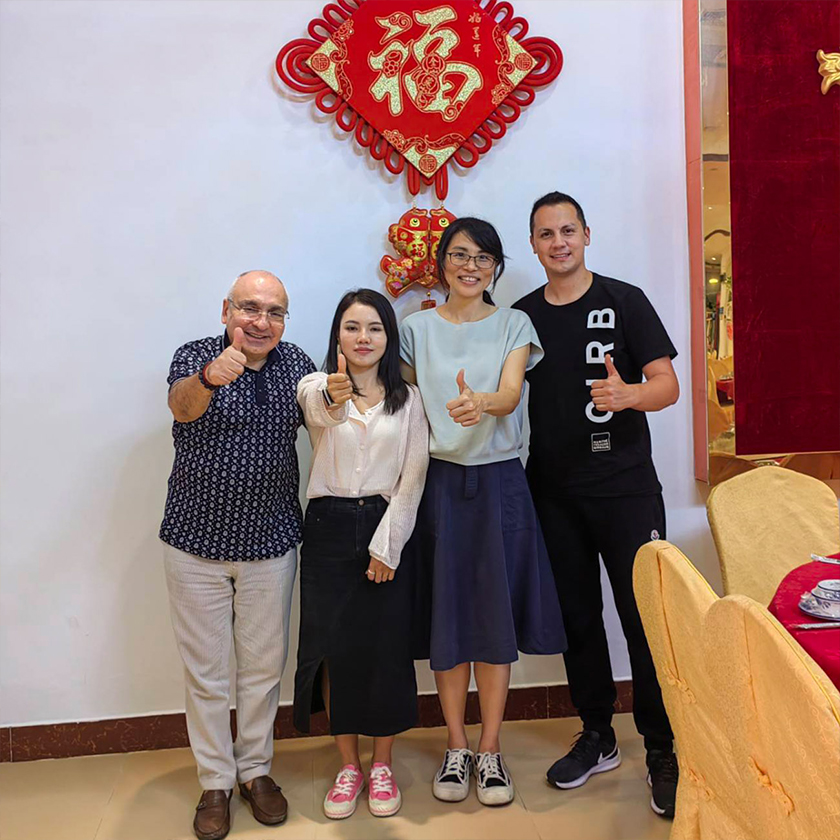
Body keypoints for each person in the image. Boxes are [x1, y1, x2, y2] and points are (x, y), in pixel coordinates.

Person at [512, 192, 681, 818]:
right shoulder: (523, 318)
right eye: (546, 234)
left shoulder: (625, 300)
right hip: (553, 492)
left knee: (645, 619)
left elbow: (668, 385)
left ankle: (661, 747)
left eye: (568, 230)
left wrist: (629, 394)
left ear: (587, 235)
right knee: (578, 617)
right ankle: (598, 734)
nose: (558, 242)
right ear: (533, 244)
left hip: (626, 488)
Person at [400, 217, 566, 808]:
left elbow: (513, 393)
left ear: (495, 267)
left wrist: (483, 403)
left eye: (483, 257)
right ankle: (456, 744)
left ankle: (491, 748)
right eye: (459, 255)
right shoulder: (414, 328)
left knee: (495, 618)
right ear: (441, 263)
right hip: (438, 484)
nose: (470, 266)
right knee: (448, 615)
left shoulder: (514, 323)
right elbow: (405, 408)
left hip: (499, 482)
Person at [161, 270, 314, 840]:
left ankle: (255, 771)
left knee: (263, 669)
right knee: (205, 673)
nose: (261, 321)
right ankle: (215, 782)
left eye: (275, 312)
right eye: (250, 308)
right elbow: (180, 408)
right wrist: (209, 377)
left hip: (270, 543)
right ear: (226, 310)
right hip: (194, 544)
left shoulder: (296, 364)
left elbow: (327, 421)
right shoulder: (194, 355)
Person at [293, 289, 429, 820]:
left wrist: (387, 547)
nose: (363, 338)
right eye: (352, 327)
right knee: (334, 649)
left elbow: (412, 478)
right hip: (326, 527)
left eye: (374, 328)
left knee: (385, 648)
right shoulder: (315, 386)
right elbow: (319, 410)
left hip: (384, 523)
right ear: (337, 336)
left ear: (389, 337)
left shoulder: (408, 399)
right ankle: (348, 765)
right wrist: (335, 393)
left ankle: (382, 763)